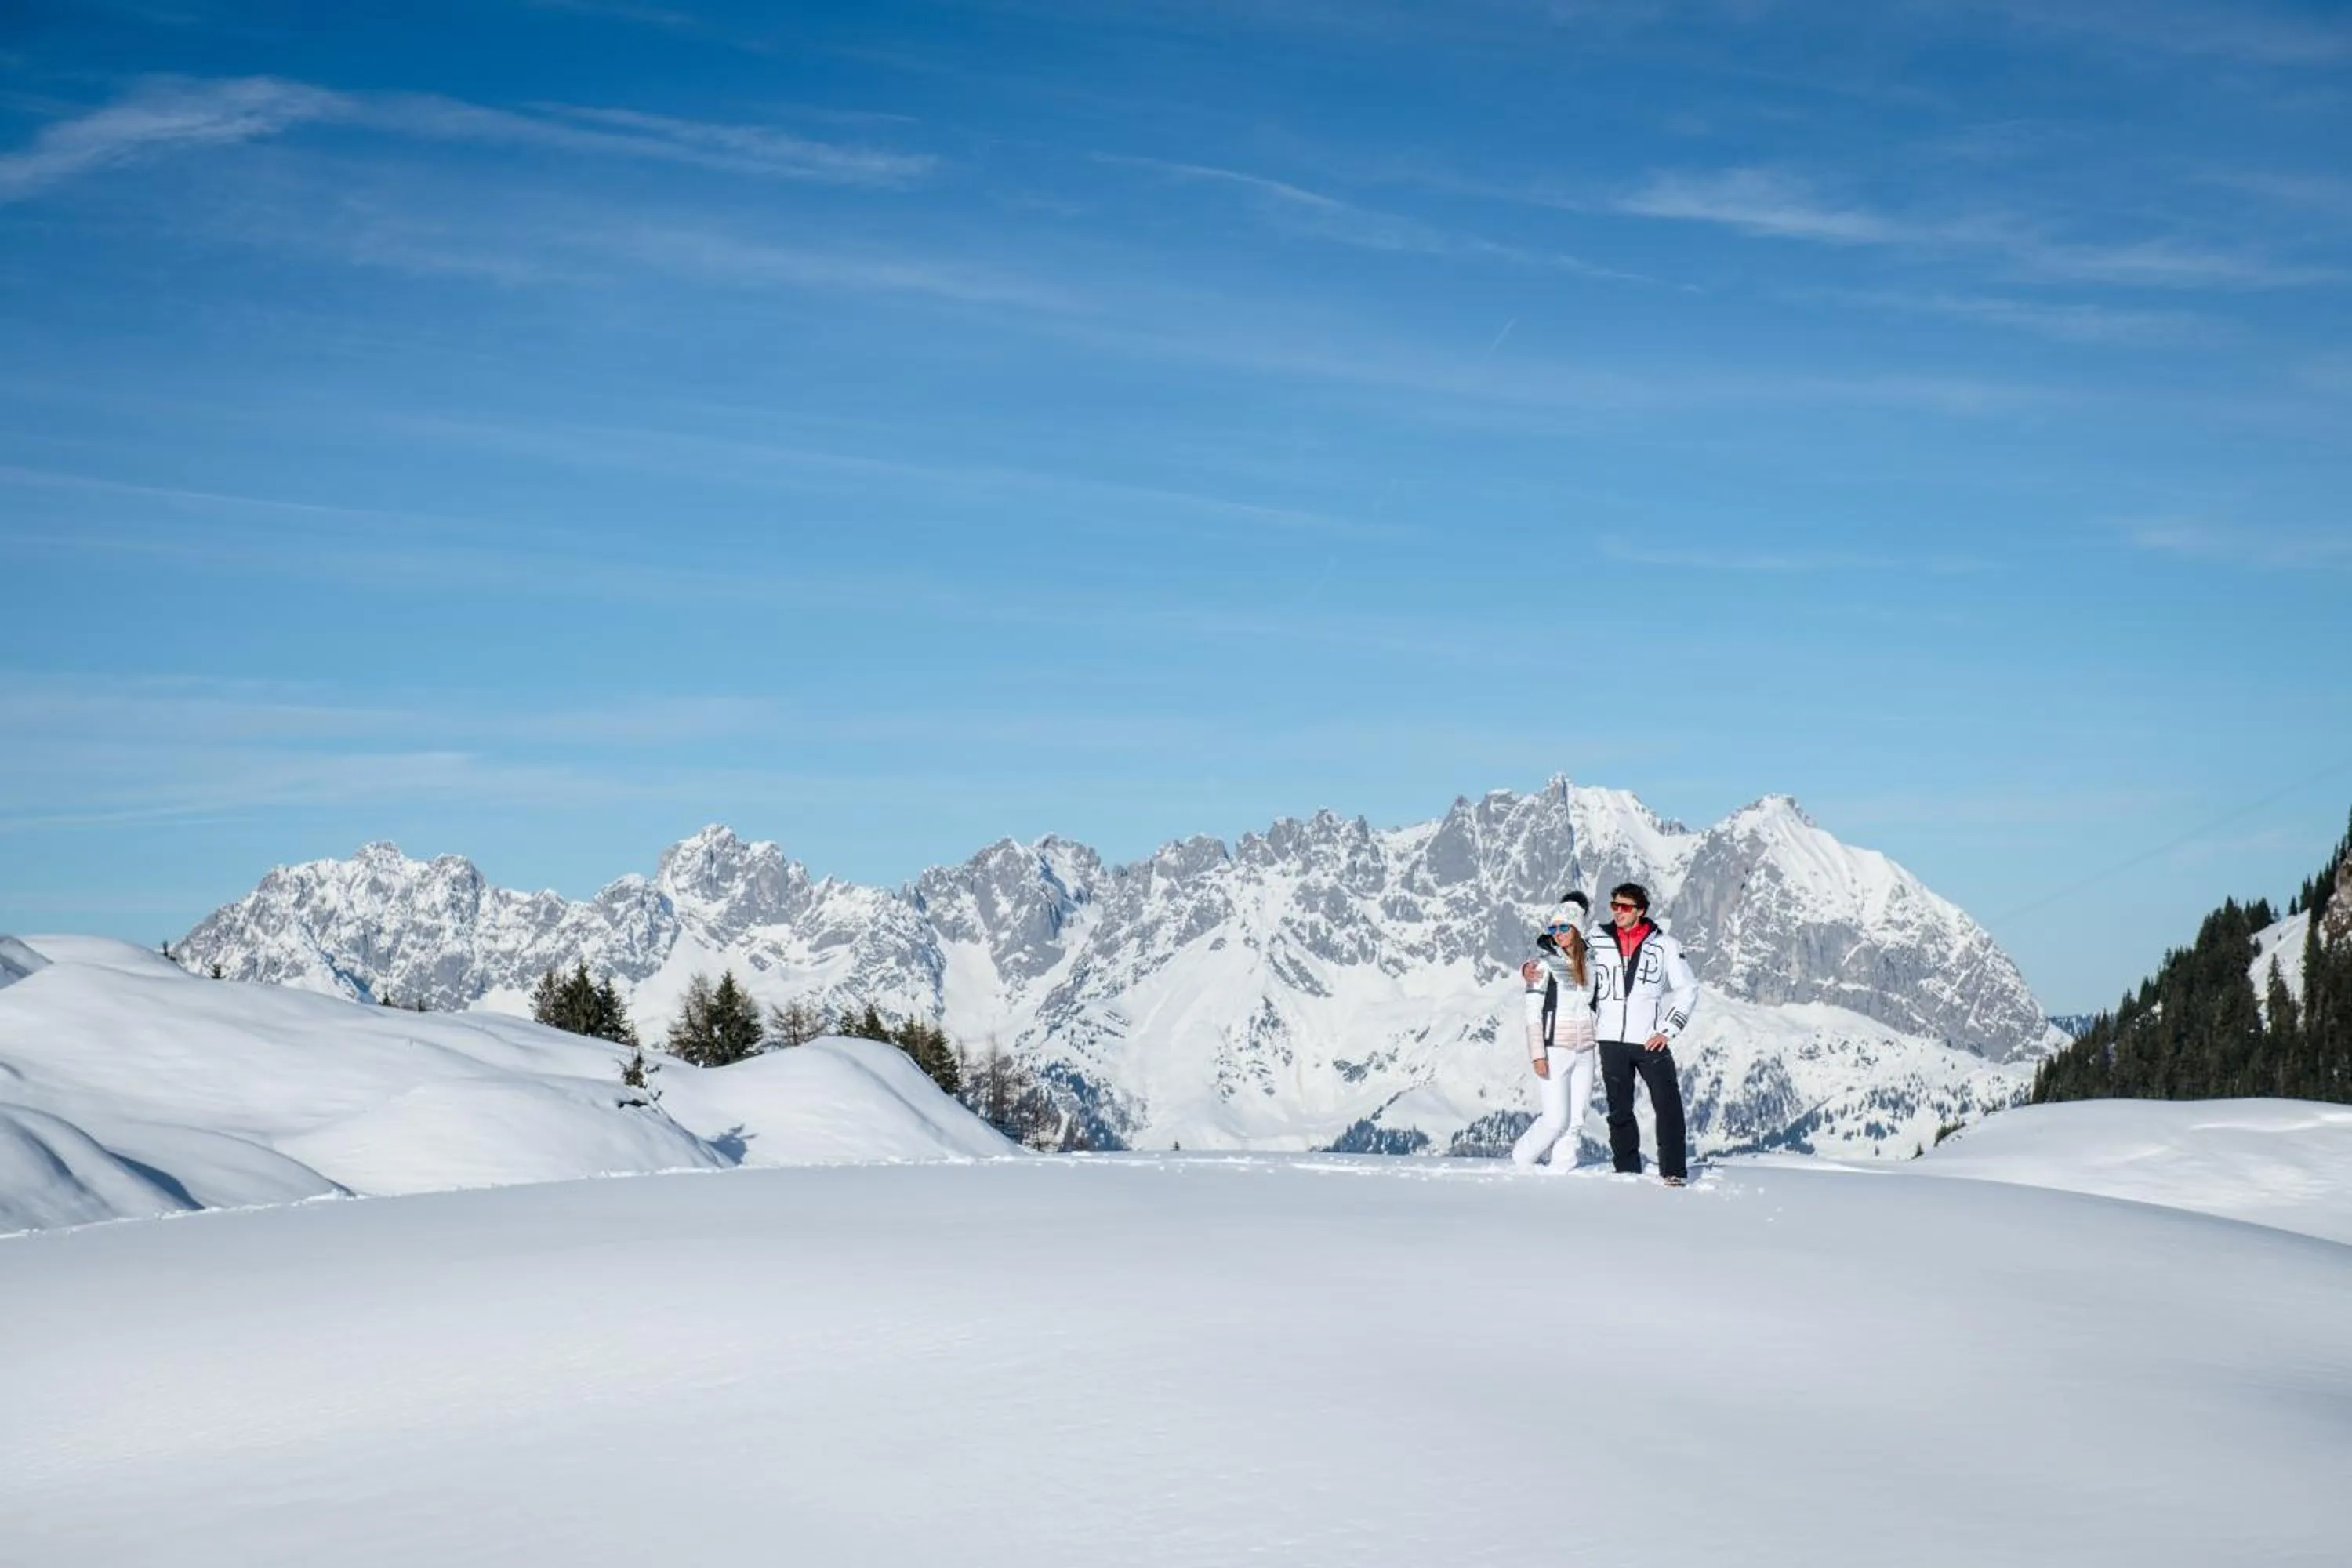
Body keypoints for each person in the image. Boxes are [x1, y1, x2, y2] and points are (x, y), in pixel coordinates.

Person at [1591, 882, 1699, 1185]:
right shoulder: (1596, 939)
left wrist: (1668, 1029)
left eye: (1625, 907)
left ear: (1640, 911)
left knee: (1668, 1104)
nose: (1618, 912)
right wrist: (1530, 968)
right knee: (1619, 1110)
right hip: (1610, 1038)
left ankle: (1673, 1171)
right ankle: (1626, 1171)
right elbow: (1567, 958)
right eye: (1614, 906)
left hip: (1649, 1039)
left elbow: (1688, 988)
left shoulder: (1665, 945)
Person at [1511, 893, 1598, 1170]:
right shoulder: (1543, 966)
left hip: (1585, 1049)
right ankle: (1521, 1159)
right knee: (1555, 1119)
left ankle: (1562, 1167)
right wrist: (1538, 1054)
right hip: (1555, 1048)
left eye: (1563, 927)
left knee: (1577, 1118)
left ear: (1577, 929)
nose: (1557, 933)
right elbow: (1532, 1013)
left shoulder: (1592, 964)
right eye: (1553, 928)